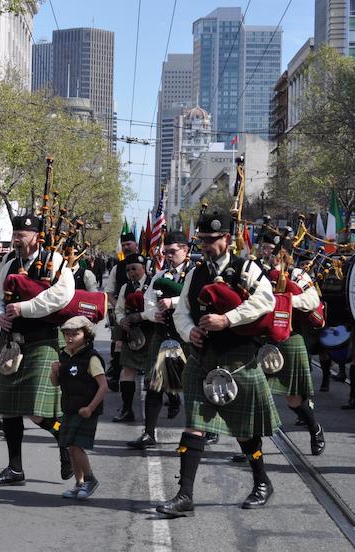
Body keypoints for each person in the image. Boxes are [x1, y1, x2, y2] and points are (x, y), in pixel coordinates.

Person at [156, 210, 280, 518]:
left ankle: (261, 482)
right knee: (194, 425)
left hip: (239, 359)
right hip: (203, 359)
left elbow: (267, 301)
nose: (207, 245)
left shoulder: (246, 268)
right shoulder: (196, 273)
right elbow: (182, 311)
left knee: (244, 430)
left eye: (213, 239)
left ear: (227, 238)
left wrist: (228, 319)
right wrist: (190, 331)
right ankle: (185, 495)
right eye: (203, 239)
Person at [0, 214, 75, 487]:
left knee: (37, 411)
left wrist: (24, 308)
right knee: (10, 409)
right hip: (12, 341)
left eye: (23, 233)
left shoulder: (53, 260)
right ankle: (14, 469)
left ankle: (66, 443)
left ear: (36, 235)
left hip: (42, 340)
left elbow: (62, 295)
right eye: (16, 233)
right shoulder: (9, 262)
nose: (17, 238)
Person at [255, 232, 325, 456]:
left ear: (283, 253)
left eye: (270, 249)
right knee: (256, 394)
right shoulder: (257, 273)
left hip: (289, 338)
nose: (266, 252)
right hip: (261, 339)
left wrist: (285, 299)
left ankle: (315, 429)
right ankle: (252, 444)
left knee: (294, 401)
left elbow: (313, 300)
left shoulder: (297, 274)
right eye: (264, 248)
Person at [127, 231, 191, 449]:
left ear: (186, 250)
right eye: (166, 252)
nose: (169, 256)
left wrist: (173, 301)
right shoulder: (160, 274)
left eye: (173, 252)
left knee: (193, 385)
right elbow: (148, 299)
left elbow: (199, 297)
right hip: (163, 335)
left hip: (188, 336)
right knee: (153, 384)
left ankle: (204, 431)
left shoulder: (195, 273)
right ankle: (148, 434)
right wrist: (152, 313)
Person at [51, 316, 107, 500]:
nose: (70, 338)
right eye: (67, 334)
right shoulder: (64, 355)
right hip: (69, 407)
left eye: (75, 334)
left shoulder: (91, 358)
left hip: (86, 410)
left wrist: (90, 408)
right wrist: (55, 372)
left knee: (77, 446)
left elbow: (103, 386)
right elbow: (55, 383)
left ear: (87, 335)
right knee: (69, 446)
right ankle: (79, 483)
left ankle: (90, 479)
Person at [113, 253, 151, 423]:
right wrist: (122, 321)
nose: (131, 272)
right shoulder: (125, 287)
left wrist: (141, 317)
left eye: (134, 268)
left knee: (155, 374)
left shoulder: (153, 283)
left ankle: (170, 402)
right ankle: (127, 409)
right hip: (132, 335)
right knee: (127, 371)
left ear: (144, 268)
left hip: (152, 334)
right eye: (128, 269)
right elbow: (119, 309)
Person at [103, 232, 139, 391]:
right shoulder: (117, 268)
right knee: (118, 343)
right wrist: (119, 307)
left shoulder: (149, 264)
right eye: (123, 245)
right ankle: (116, 375)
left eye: (128, 244)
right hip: (122, 313)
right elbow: (109, 292)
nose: (126, 247)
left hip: (144, 313)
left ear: (136, 245)